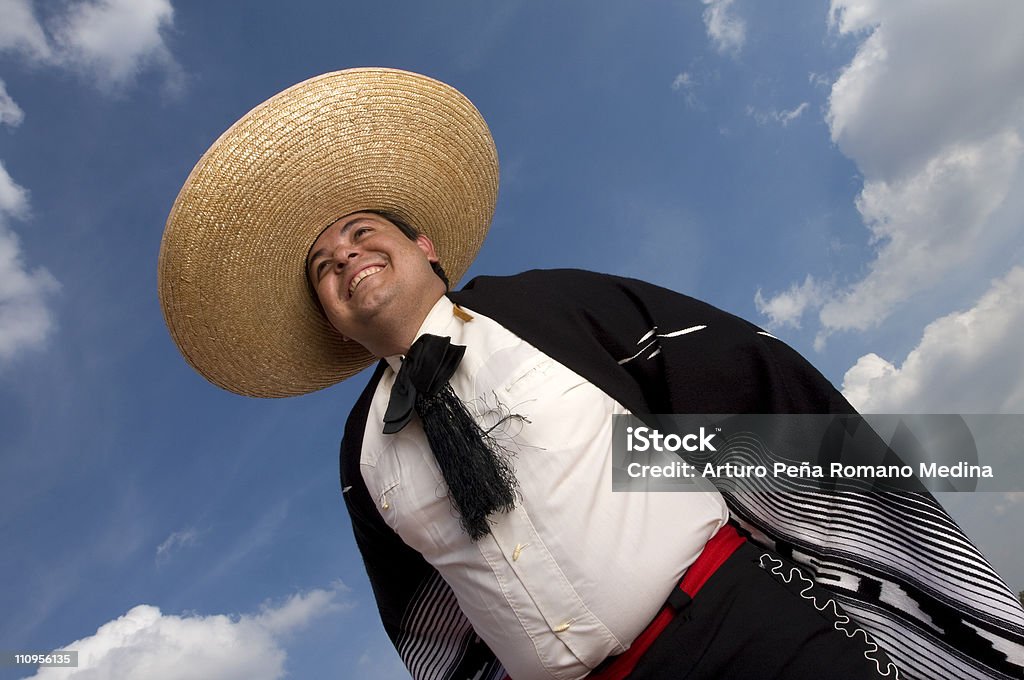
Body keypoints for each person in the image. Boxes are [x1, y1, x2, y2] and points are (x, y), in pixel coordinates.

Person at [159, 69, 1024, 679]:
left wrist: (977, 451)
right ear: (329, 314)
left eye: (359, 234)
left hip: (748, 631)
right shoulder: (364, 460)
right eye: (321, 266)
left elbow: (731, 396)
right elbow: (432, 619)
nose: (344, 259)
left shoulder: (546, 311)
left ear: (423, 247)